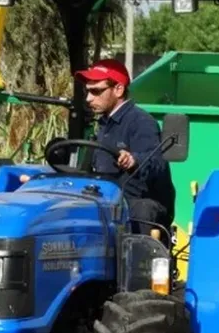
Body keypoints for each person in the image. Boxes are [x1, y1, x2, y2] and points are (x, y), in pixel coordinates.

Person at [74, 59, 176, 244]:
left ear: (118, 90)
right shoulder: (103, 124)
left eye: (96, 91)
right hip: (107, 201)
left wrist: (134, 160)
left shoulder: (141, 122)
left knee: (140, 209)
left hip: (132, 206)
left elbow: (157, 164)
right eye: (87, 91)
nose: (89, 98)